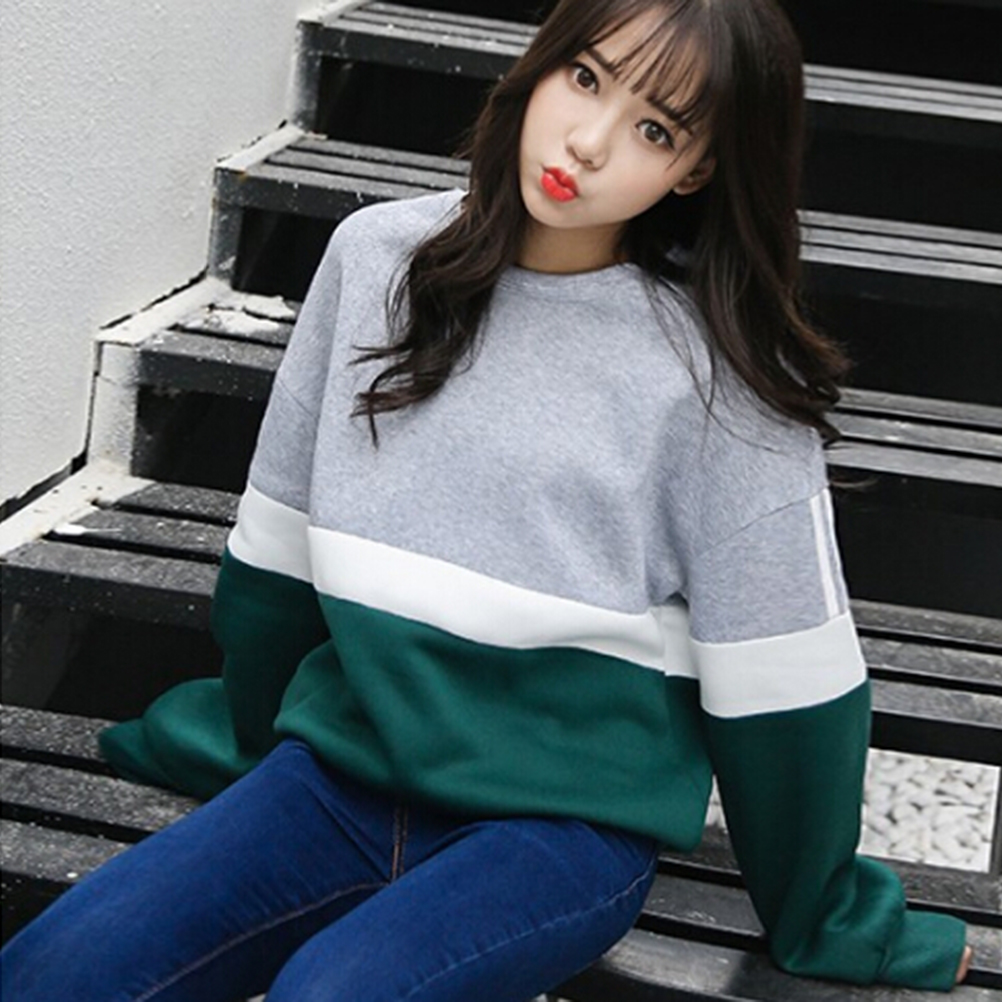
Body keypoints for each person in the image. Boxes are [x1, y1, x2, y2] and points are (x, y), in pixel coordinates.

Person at [1, 0, 973, 998]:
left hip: (560, 828)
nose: (588, 142)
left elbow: (785, 682)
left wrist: (819, 910)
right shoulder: (377, 258)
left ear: (694, 170)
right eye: (586, 79)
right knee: (54, 972)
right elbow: (280, 544)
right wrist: (248, 727)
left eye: (654, 129)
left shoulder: (719, 379)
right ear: (541, 65)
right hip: (340, 772)